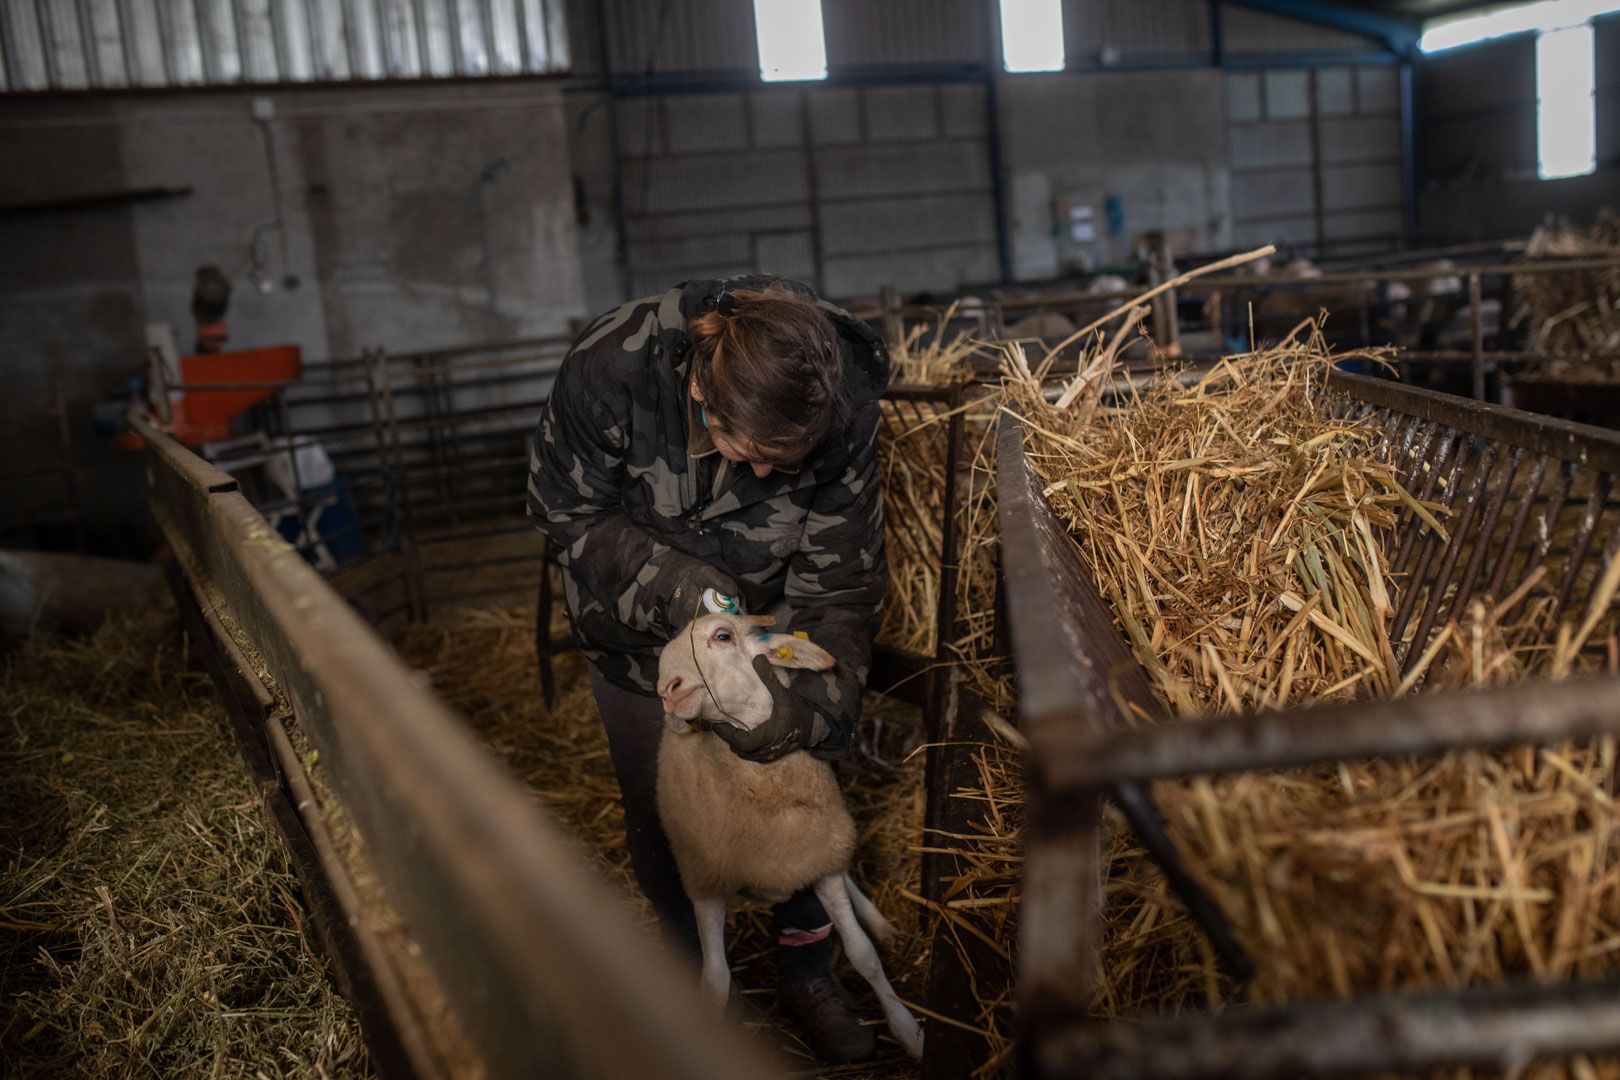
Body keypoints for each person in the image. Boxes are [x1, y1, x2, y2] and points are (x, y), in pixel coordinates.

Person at [526, 276, 890, 1063]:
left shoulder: (843, 401)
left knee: (794, 803)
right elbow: (564, 512)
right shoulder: (610, 369)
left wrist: (809, 713)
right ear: (698, 389)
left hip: (765, 634)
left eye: (779, 463)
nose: (759, 477)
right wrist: (681, 591)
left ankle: (808, 972)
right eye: (744, 451)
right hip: (633, 639)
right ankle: (688, 995)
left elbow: (841, 584)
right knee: (666, 814)